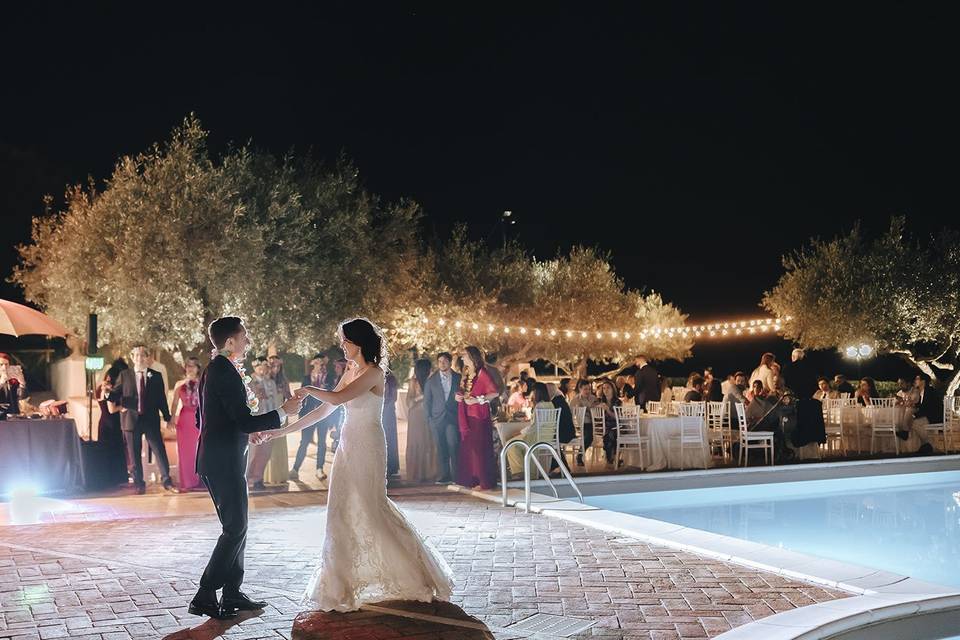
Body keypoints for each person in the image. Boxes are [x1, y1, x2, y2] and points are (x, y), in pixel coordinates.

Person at [266, 317, 454, 611]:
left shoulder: (374, 373)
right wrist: (280, 431)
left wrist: (308, 389)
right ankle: (340, 584)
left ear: (358, 342)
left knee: (371, 506)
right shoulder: (351, 370)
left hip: (368, 445)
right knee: (340, 510)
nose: (342, 345)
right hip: (346, 445)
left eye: (345, 340)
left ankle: (414, 573)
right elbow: (324, 412)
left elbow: (339, 398)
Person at [190, 317, 300, 619]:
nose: (248, 341)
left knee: (239, 525)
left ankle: (232, 592)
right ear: (230, 342)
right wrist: (282, 412)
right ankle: (205, 593)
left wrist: (245, 431)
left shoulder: (222, 369)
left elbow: (216, 418)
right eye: (245, 336)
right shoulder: (222, 371)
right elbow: (240, 419)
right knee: (235, 527)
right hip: (221, 460)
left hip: (224, 456)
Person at [118, 345, 175, 494]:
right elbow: (116, 393)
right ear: (132, 358)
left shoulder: (155, 375)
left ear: (148, 358)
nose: (140, 358)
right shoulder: (125, 375)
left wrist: (168, 418)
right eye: (137, 355)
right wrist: (110, 397)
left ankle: (167, 480)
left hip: (151, 419)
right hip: (131, 420)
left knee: (159, 450)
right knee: (134, 453)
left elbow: (161, 399)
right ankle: (139, 484)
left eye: (143, 355)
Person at [455, 346, 499, 490]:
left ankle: (483, 480)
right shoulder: (466, 373)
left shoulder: (482, 373)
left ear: (472, 357)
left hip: (479, 416)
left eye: (465, 355)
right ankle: (473, 479)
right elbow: (464, 392)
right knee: (470, 448)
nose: (462, 358)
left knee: (480, 448)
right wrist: (459, 396)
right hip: (467, 415)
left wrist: (477, 400)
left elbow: (494, 393)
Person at [291, 353, 330, 481]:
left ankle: (319, 469)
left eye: (323, 364)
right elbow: (301, 397)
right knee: (305, 441)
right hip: (308, 415)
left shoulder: (329, 379)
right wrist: (301, 414)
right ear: (314, 364)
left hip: (324, 415)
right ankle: (295, 469)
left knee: (322, 442)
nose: (321, 366)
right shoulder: (307, 378)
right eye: (319, 363)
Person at [423, 352, 461, 484]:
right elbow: (427, 402)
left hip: (452, 417)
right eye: (439, 361)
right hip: (436, 419)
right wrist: (429, 420)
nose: (442, 363)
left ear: (450, 363)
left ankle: (457, 476)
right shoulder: (431, 380)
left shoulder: (458, 378)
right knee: (441, 447)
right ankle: (444, 476)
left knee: (453, 444)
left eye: (444, 361)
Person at [504, 382, 555, 476]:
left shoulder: (539, 406)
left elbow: (534, 426)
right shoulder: (551, 404)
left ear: (537, 392)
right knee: (516, 443)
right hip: (547, 437)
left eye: (533, 392)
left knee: (511, 444)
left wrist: (520, 432)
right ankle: (525, 471)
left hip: (536, 439)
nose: (532, 394)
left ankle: (519, 472)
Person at [169, 356, 204, 491]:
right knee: (185, 453)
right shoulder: (179, 384)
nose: (190, 368)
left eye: (193, 366)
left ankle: (200, 480)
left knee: (199, 450)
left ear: (198, 368)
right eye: (188, 366)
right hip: (184, 420)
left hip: (199, 420)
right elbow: (174, 404)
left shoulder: (203, 383)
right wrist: (172, 419)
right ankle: (187, 482)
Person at [246, 357, 278, 491]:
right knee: (252, 452)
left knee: (265, 452)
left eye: (265, 366)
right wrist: (256, 398)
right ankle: (246, 478)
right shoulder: (248, 382)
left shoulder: (271, 382)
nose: (263, 369)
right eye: (260, 366)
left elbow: (275, 401)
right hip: (255, 421)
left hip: (268, 421)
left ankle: (258, 478)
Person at [95, 360, 129, 485]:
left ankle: (106, 478)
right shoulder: (110, 389)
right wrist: (124, 407)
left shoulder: (101, 387)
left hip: (104, 422)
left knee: (106, 451)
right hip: (112, 423)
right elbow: (112, 409)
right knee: (115, 451)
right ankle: (116, 479)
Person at [405, 359, 439, 483]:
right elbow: (409, 402)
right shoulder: (413, 382)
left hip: (428, 415)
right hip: (417, 415)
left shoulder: (433, 381)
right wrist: (422, 396)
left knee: (429, 441)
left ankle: (429, 472)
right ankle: (418, 473)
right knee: (419, 441)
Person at [263, 356, 292, 486]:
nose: (275, 369)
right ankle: (266, 476)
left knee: (279, 446)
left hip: (281, 416)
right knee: (267, 444)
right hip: (268, 414)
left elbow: (289, 397)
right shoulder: (265, 380)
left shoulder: (283, 381)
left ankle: (279, 475)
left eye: (277, 366)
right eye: (272, 366)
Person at [905, 374, 937, 454]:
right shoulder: (921, 392)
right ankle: (926, 446)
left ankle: (927, 444)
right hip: (927, 415)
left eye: (917, 379)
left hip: (933, 417)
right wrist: (914, 405)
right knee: (912, 419)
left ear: (923, 381)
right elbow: (921, 405)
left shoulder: (930, 391)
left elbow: (928, 407)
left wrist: (915, 415)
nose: (915, 381)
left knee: (914, 422)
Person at [569, 379, 597, 465]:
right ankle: (580, 455)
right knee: (589, 436)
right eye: (585, 389)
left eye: (589, 389)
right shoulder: (575, 400)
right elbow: (570, 413)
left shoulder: (593, 398)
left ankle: (579, 454)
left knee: (589, 436)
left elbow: (596, 411)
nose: (587, 391)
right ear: (580, 389)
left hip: (594, 423)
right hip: (581, 424)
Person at [596, 378, 621, 464]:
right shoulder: (600, 401)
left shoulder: (617, 402)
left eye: (608, 388)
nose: (605, 390)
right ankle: (612, 457)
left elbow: (617, 418)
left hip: (616, 425)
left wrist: (607, 410)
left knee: (611, 433)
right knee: (609, 432)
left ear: (612, 389)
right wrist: (597, 409)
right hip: (603, 426)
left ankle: (611, 457)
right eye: (604, 388)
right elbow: (596, 416)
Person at [382, 371, 401, 477]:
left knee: (389, 438)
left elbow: (394, 397)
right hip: (377, 410)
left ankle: (391, 466)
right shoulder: (373, 375)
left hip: (388, 411)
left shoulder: (391, 378)